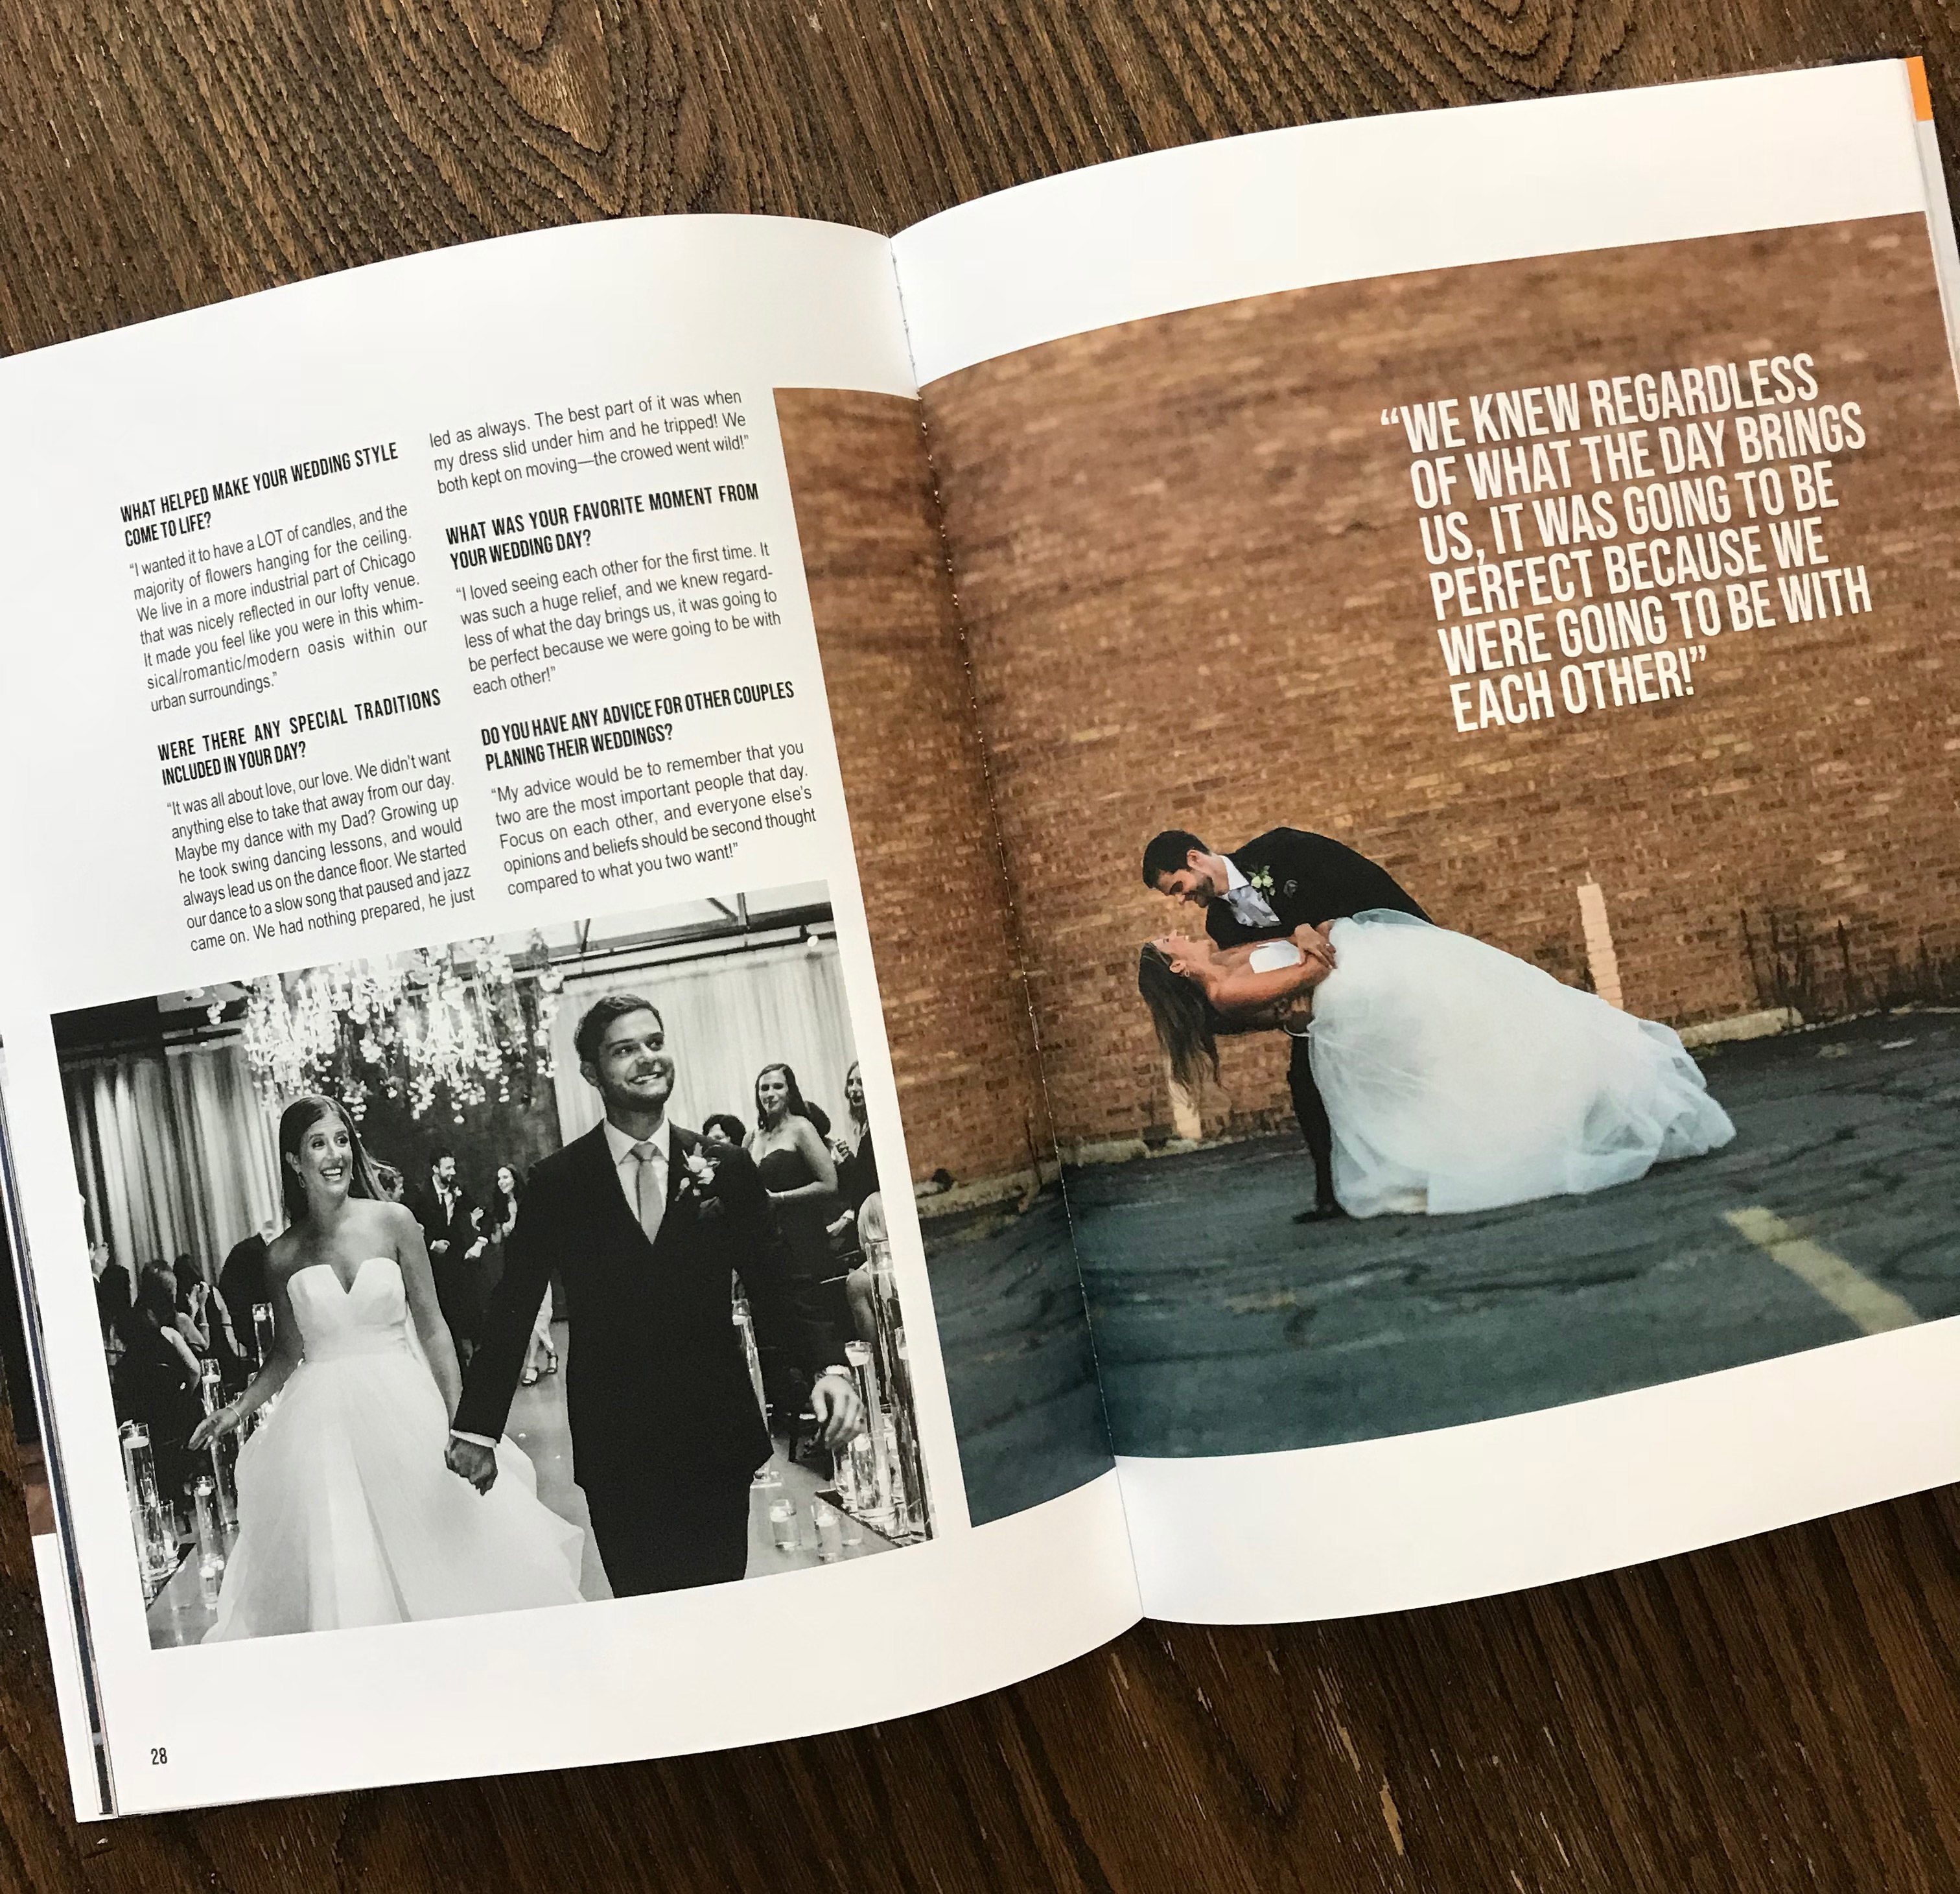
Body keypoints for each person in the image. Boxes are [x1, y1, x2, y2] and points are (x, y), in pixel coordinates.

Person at [447, 997, 864, 1596]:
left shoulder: (726, 1167)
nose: (647, 1058)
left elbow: (777, 1282)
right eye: (625, 1050)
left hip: (715, 1432)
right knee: (645, 1610)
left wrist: (828, 1367)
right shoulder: (558, 1183)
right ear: (591, 1072)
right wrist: (478, 1427)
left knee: (720, 1602)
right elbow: (514, 1305)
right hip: (617, 1442)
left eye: (654, 1042)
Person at [191, 1096, 582, 1640]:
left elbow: (434, 1328)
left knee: (441, 1554)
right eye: (318, 1144)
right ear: (294, 1161)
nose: (335, 1155)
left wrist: (463, 1424)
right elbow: (286, 1352)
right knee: (347, 1568)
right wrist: (237, 1410)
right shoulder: (281, 1256)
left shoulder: (395, 1222)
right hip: (321, 1433)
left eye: (342, 1140)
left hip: (404, 1409)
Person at [1139, 909, 1734, 1219]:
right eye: (1169, 942)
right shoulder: (1225, 992)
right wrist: (1318, 940)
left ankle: (1581, 1090)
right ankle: (1536, 1124)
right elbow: (1313, 968)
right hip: (1363, 990)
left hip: (1373, 966)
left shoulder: (1229, 960)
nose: (1175, 932)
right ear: (1177, 969)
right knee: (1474, 1038)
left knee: (1501, 1012)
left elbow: (1305, 941)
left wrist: (1309, 931)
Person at [1145, 826, 1429, 1223]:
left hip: (1376, 957)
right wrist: (1285, 1006)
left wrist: (1312, 926)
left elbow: (1356, 882)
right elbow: (1263, 976)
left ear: (1194, 859)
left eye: (1178, 887)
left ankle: (1422, 1159)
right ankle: (1331, 1192)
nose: (1182, 900)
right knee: (1305, 1083)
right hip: (1320, 1003)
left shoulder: (1281, 849)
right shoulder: (1220, 926)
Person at [748, 1062, 846, 1366]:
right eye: (764, 1088)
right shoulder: (753, 1138)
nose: (770, 1093)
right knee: (783, 1323)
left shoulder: (802, 1128)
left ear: (790, 1091)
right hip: (770, 1242)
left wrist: (779, 1199)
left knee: (816, 1319)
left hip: (803, 1237)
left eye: (777, 1086)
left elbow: (829, 1184)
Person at [415, 1150, 486, 1364]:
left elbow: (482, 1213)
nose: (453, 1172)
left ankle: (482, 1361)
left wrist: (480, 1241)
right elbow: (412, 1227)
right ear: (435, 1169)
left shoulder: (458, 1189)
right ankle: (458, 1364)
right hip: (435, 1265)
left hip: (459, 1258)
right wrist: (432, 1244)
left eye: (453, 1167)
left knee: (473, 1308)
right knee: (447, 1314)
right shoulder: (421, 1193)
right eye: (448, 1168)